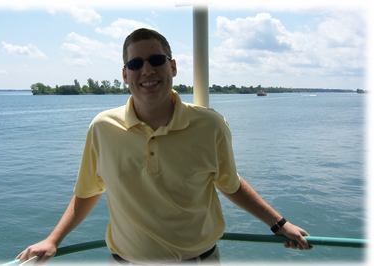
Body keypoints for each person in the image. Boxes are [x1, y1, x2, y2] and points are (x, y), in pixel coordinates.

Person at [17, 28, 312, 266]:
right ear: (125, 75)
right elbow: (88, 191)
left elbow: (230, 184)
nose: (147, 70)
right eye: (135, 64)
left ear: (172, 66)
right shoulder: (102, 128)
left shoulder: (211, 125)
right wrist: (53, 240)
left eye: (156, 60)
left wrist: (278, 223)